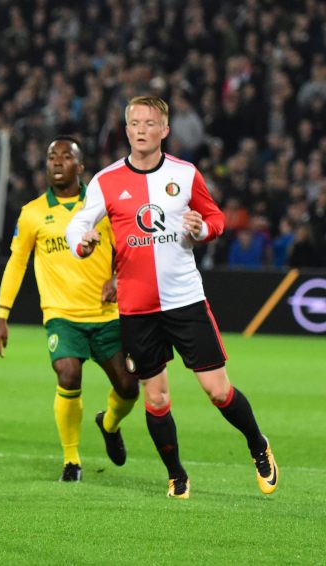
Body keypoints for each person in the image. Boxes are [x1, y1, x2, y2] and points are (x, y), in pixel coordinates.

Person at [66, 95, 279, 498]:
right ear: (126, 129)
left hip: (184, 300)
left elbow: (215, 219)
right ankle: (177, 475)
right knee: (157, 396)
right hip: (137, 308)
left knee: (218, 391)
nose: (141, 129)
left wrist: (200, 230)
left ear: (164, 130)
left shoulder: (185, 174)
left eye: (150, 123)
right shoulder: (106, 180)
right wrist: (83, 243)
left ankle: (258, 445)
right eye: (134, 123)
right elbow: (77, 224)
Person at [0, 136, 139, 482]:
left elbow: (129, 251)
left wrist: (118, 279)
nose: (57, 162)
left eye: (65, 156)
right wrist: (2, 315)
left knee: (129, 387)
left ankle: (109, 422)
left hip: (105, 315)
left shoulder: (103, 207)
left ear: (80, 166)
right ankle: (71, 461)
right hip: (61, 315)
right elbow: (16, 263)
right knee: (68, 374)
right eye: (51, 157)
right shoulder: (32, 214)